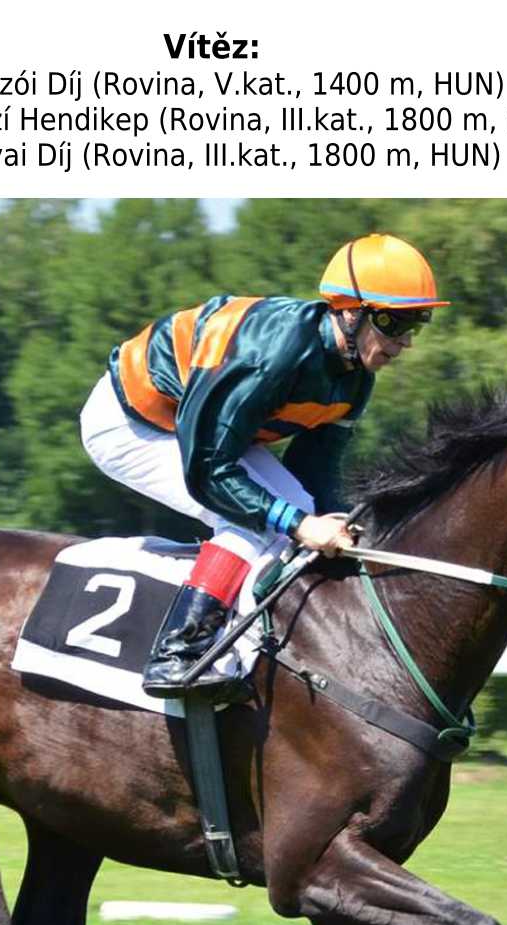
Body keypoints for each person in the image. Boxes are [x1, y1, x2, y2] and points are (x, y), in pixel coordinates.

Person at [80, 233, 447, 696]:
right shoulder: (270, 353)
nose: (406, 342)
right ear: (349, 312)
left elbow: (315, 474)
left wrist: (341, 526)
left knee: (303, 510)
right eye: (395, 323)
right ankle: (179, 654)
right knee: (255, 521)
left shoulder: (355, 378)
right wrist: (299, 524)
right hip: (131, 423)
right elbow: (208, 471)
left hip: (203, 433)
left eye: (417, 324)